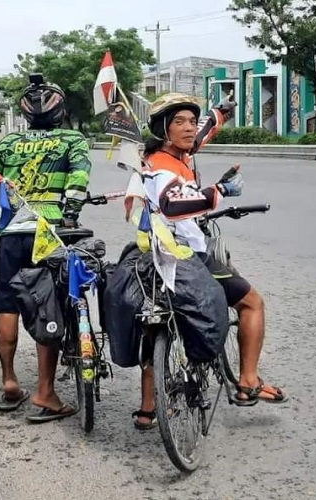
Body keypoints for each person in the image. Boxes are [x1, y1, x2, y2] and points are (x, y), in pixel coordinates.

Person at [126, 93, 287, 429]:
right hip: (185, 253)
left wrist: (220, 113)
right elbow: (172, 204)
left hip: (149, 254)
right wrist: (219, 192)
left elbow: (198, 138)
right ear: (162, 130)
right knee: (252, 302)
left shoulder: (166, 154)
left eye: (191, 121)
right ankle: (248, 381)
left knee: (155, 320)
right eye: (179, 122)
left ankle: (147, 408)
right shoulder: (165, 168)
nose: (189, 129)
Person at [0, 73, 91, 422]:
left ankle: (9, 381)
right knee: (47, 307)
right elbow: (78, 183)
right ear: (60, 112)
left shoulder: (9, 143)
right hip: (49, 233)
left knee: (7, 305)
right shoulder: (72, 140)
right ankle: (45, 392)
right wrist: (69, 216)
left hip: (12, 232)